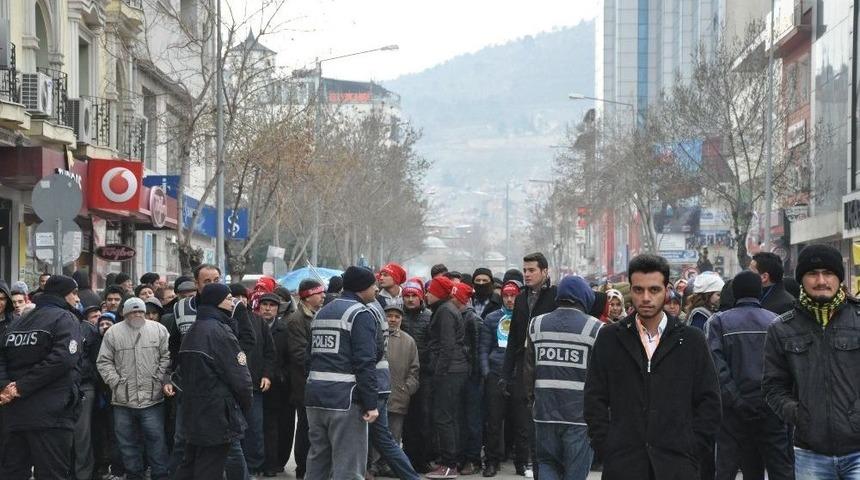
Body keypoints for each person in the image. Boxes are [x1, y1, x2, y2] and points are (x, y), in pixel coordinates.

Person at [584, 254, 721, 479]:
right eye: (638, 290)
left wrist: (692, 448)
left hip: (677, 465)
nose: (646, 298)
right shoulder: (609, 338)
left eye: (654, 290)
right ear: (631, 290)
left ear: (666, 290)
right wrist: (606, 445)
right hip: (624, 465)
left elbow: (709, 401)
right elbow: (594, 397)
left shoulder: (691, 340)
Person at [763, 244, 860, 479]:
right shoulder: (781, 328)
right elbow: (773, 387)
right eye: (812, 274)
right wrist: (800, 415)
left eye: (828, 273)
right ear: (801, 279)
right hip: (810, 452)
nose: (821, 280)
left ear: (839, 278)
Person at [706, 271, 793, 480]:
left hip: (732, 412)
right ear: (759, 291)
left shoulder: (718, 323)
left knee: (726, 468)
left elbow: (716, 368)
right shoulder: (777, 322)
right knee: (779, 466)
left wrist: (736, 401)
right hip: (771, 410)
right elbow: (786, 367)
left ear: (735, 292)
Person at [0, 275, 83, 479]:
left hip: (14, 413)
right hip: (51, 415)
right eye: (74, 293)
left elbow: (2, 358)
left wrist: (7, 389)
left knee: (13, 472)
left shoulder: (17, 323)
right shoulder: (65, 318)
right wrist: (20, 386)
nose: (77, 299)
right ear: (64, 295)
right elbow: (63, 359)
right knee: (52, 473)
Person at [304, 266, 380, 480]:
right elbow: (365, 361)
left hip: (315, 398)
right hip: (345, 401)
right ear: (362, 288)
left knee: (318, 460)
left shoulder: (322, 312)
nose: (376, 288)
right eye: (372, 284)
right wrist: (371, 403)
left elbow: (308, 357)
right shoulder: (360, 314)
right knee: (348, 467)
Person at [525, 275, 602, 480]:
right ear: (584, 298)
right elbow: (601, 376)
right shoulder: (595, 328)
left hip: (544, 412)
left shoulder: (536, 324)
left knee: (547, 463)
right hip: (579, 417)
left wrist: (531, 402)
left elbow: (529, 370)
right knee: (575, 473)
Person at [173, 283, 253, 479]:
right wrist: (244, 406)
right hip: (217, 414)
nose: (232, 302)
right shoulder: (219, 332)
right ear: (216, 302)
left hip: (194, 411)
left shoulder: (193, 330)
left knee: (190, 463)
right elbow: (241, 378)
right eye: (227, 298)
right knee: (209, 467)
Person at [96, 297, 171, 480]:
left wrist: (158, 378)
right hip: (122, 401)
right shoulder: (113, 333)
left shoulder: (159, 330)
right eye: (133, 312)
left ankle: (160, 475)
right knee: (127, 443)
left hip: (152, 399)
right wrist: (116, 382)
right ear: (125, 314)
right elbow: (104, 362)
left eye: (140, 311)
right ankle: (134, 475)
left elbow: (167, 357)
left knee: (156, 441)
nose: (137, 315)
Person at [503, 252, 558, 477]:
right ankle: (529, 466)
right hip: (522, 367)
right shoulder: (522, 298)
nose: (526, 274)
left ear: (544, 271)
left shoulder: (555, 296)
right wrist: (506, 374)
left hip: (547, 366)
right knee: (524, 423)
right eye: (524, 270)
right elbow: (514, 338)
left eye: (531, 270)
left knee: (544, 425)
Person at [481, 280, 529, 477]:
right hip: (496, 373)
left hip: (519, 376)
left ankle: (522, 463)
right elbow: (483, 347)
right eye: (506, 296)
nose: (509, 299)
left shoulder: (526, 318)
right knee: (493, 421)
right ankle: (492, 461)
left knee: (521, 422)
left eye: (513, 295)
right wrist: (486, 371)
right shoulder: (492, 318)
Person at [425, 275, 468, 479]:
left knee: (444, 418)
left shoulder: (445, 312)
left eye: (430, 291)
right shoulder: (445, 310)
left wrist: (439, 373)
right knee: (449, 417)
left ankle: (450, 464)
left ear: (439, 293)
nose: (426, 294)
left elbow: (447, 345)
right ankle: (450, 461)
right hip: (453, 369)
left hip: (450, 371)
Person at [286, 278, 327, 479]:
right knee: (305, 427)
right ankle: (302, 467)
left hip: (317, 382)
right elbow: (299, 354)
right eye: (319, 293)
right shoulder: (296, 320)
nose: (322, 296)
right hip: (303, 383)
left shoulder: (319, 315)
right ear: (307, 296)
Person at [234, 289, 276, 477]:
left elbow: (269, 352)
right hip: (230, 387)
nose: (240, 301)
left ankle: (254, 466)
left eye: (244, 297)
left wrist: (267, 375)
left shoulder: (258, 322)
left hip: (254, 386)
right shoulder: (224, 322)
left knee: (254, 427)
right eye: (236, 297)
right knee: (233, 430)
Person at [400, 280, 436, 473]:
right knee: (406, 420)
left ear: (421, 297)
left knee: (423, 418)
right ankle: (407, 457)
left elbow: (433, 345)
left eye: (414, 296)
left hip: (424, 375)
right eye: (407, 296)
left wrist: (427, 367)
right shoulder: (398, 316)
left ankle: (423, 459)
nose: (411, 299)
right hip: (403, 375)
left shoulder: (429, 317)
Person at [259, 293, 294, 477]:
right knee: (265, 426)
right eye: (264, 304)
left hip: (280, 387)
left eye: (272, 305)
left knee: (282, 426)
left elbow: (291, 359)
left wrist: (281, 375)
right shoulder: (253, 327)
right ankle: (267, 462)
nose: (267, 308)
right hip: (258, 385)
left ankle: (277, 461)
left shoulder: (284, 330)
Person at [450, 282, 483, 475]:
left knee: (472, 420)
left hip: (471, 377)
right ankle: (461, 456)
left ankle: (472, 458)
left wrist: (475, 374)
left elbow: (477, 350)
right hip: (461, 374)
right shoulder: (457, 315)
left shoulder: (472, 319)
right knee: (459, 419)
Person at [380, 305, 419, 456]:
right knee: (376, 433)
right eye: (389, 316)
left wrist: (407, 388)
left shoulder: (408, 341)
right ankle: (374, 465)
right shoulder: (376, 335)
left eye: (397, 317)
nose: (393, 320)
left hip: (399, 395)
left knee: (394, 434)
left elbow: (414, 369)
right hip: (378, 394)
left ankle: (390, 464)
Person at [74, 299, 102, 480]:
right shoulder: (53, 324)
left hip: (84, 386)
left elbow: (97, 360)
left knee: (82, 435)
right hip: (59, 387)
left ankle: (83, 474)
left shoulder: (87, 328)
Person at [719, 252, 796, 315]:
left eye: (750, 271)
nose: (746, 274)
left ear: (764, 277)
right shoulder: (740, 293)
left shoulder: (786, 306)